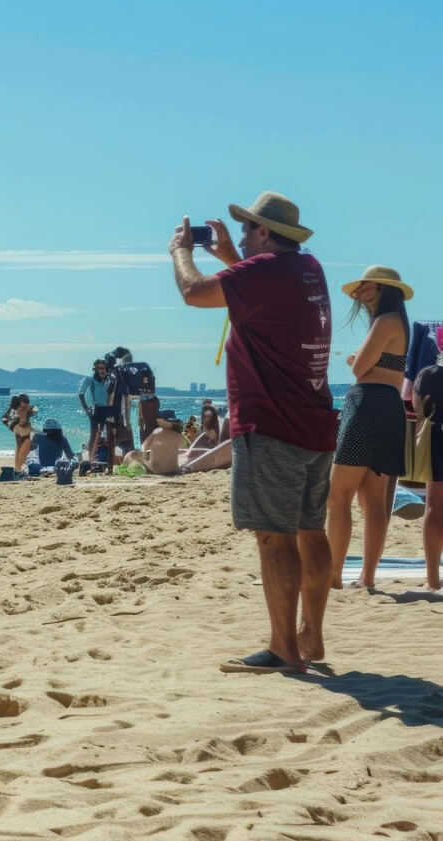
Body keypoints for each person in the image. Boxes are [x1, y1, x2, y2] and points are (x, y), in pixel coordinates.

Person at [171, 192, 336, 673]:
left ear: (265, 233)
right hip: (314, 420)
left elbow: (193, 292)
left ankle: (284, 648)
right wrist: (229, 255)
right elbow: (258, 283)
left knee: (273, 537)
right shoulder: (309, 268)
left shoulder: (263, 274)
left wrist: (181, 249)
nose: (239, 236)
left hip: (272, 423)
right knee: (310, 530)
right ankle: (311, 636)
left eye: (246, 230)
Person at [326, 266, 411, 589]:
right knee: (373, 502)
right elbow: (382, 366)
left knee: (338, 496)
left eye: (363, 288)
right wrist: (363, 361)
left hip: (367, 406)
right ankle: (368, 577)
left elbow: (361, 369)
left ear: (378, 288)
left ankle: (334, 575)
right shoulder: (398, 323)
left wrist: (358, 361)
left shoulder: (384, 322)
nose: (358, 295)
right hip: (390, 407)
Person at [408, 325, 443, 591]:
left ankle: (432, 580)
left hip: (437, 439)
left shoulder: (427, 374)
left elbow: (417, 407)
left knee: (434, 508)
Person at [79, 358, 118, 467]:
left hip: (108, 408)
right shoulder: (90, 379)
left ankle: (109, 460)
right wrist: (86, 408)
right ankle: (89, 459)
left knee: (109, 435)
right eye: (99, 368)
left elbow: (112, 393)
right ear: (95, 369)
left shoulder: (109, 380)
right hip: (96, 408)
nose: (102, 370)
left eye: (104, 368)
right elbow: (81, 393)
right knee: (94, 434)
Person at [123, 411, 184, 476]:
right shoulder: (179, 435)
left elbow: (142, 448)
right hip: (174, 470)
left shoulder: (157, 432)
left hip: (157, 470)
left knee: (132, 454)